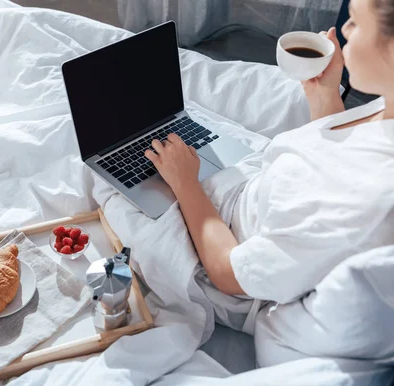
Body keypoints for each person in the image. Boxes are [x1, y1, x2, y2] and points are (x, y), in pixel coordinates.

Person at [144, 0, 394, 305]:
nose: (343, 29)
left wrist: (185, 183)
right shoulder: (387, 109)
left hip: (219, 235)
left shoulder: (363, 206)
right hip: (251, 183)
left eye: (355, 21)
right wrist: (325, 95)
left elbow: (229, 273)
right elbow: (339, 159)